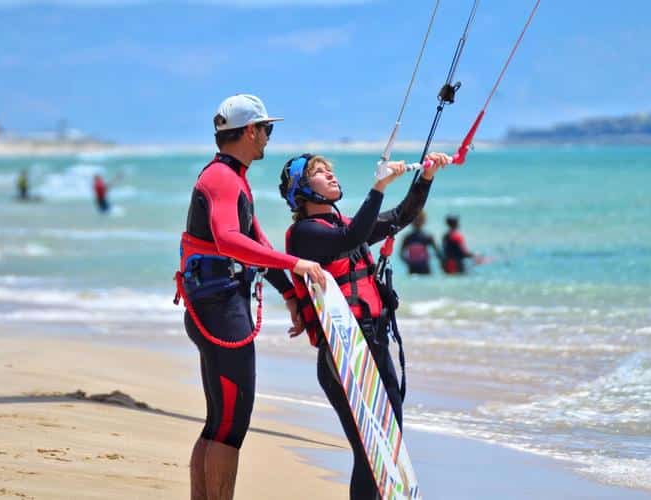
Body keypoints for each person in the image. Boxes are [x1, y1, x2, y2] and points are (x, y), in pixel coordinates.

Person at [176, 94, 325, 500]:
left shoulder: (231, 177)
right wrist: (298, 265)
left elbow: (256, 242)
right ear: (248, 132)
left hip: (216, 307)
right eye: (266, 130)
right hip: (221, 312)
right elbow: (228, 240)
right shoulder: (223, 179)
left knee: (219, 423)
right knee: (231, 425)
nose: (268, 139)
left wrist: (290, 294)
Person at [279, 151, 449, 499]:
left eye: (330, 170)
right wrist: (379, 185)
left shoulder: (344, 227)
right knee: (371, 453)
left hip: (375, 346)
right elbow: (350, 239)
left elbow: (403, 215)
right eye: (319, 172)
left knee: (389, 449)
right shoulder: (304, 235)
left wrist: (427, 176)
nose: (330, 175)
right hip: (343, 357)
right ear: (301, 190)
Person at [399, 210, 442, 275]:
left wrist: (409, 262)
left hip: (418, 268)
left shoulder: (427, 236)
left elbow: (401, 254)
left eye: (419, 220)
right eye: (416, 220)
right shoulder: (408, 237)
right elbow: (438, 253)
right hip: (418, 267)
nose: (417, 222)